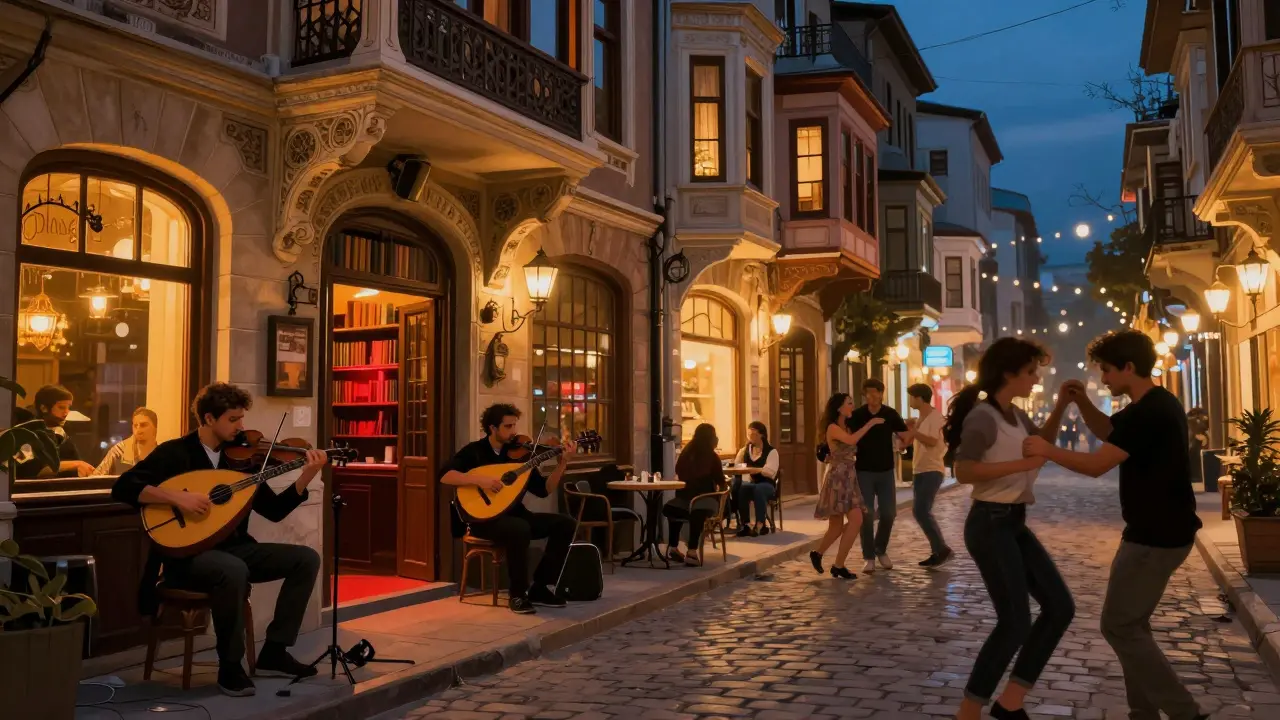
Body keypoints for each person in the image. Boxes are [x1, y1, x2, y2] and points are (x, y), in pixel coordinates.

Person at [1023, 331, 1208, 720]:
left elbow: (1095, 466)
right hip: (1162, 531)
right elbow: (1110, 432)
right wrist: (1081, 402)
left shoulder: (1149, 413)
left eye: (1106, 371)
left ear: (1128, 367)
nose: (1103, 378)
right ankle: (1142, 712)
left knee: (1119, 627)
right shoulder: (1156, 403)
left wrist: (1048, 450)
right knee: (1133, 626)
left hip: (1153, 537)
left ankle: (1184, 712)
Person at [111, 382, 327, 698]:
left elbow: (275, 511)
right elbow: (124, 487)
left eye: (242, 418)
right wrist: (177, 499)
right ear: (209, 419)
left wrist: (307, 475)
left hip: (236, 549)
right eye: (233, 419)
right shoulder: (175, 452)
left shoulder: (240, 462)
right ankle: (230, 667)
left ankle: (274, 652)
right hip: (186, 557)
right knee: (233, 570)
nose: (242, 426)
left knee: (305, 559)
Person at [945, 337, 1075, 720]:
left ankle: (1011, 702)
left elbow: (1042, 444)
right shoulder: (984, 416)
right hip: (989, 523)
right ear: (1009, 373)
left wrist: (1062, 406)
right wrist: (1015, 468)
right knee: (1015, 621)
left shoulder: (1014, 415)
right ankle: (968, 712)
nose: (1036, 378)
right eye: (1031, 372)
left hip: (1014, 521)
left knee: (1060, 607)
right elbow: (963, 469)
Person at [442, 403, 576, 615]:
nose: (513, 431)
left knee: (565, 524)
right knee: (519, 528)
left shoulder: (521, 455)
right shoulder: (475, 451)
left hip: (514, 515)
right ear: (492, 428)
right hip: (482, 520)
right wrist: (481, 481)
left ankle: (540, 588)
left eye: (514, 425)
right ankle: (517, 594)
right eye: (508, 426)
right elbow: (446, 475)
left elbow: (544, 490)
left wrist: (562, 464)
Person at [810, 393, 884, 580]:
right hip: (838, 478)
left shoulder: (847, 427)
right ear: (839, 408)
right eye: (849, 403)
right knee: (856, 519)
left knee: (836, 526)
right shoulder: (833, 428)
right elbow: (851, 442)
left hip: (848, 477)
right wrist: (871, 423)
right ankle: (838, 565)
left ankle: (819, 555)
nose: (852, 406)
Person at [846, 378, 909, 574]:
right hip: (863, 470)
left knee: (889, 513)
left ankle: (880, 549)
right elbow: (848, 436)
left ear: (882, 393)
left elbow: (904, 435)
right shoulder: (857, 415)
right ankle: (869, 557)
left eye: (876, 392)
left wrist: (903, 444)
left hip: (886, 471)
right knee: (867, 514)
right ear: (864, 395)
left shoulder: (890, 414)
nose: (873, 396)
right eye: (869, 393)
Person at [897, 383, 953, 568]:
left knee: (921, 510)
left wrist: (914, 432)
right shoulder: (921, 417)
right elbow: (917, 438)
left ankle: (942, 550)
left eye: (911, 397)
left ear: (919, 398)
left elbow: (932, 440)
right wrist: (906, 440)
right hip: (920, 469)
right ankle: (938, 550)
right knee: (921, 511)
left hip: (932, 469)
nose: (910, 401)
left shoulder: (936, 417)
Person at [665, 423, 725, 566]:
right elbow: (720, 480)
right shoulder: (712, 456)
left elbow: (679, 472)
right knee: (698, 511)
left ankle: (673, 546)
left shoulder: (686, 453)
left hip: (684, 497)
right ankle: (692, 551)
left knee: (673, 509)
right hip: (705, 498)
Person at [15, 384, 95, 479]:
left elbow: (73, 459)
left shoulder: (60, 433)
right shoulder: (27, 433)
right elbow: (34, 470)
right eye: (61, 407)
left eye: (68, 407)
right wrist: (76, 464)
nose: (66, 413)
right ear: (44, 408)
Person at [733, 421, 779, 537]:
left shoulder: (771, 451)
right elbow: (737, 465)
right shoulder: (745, 450)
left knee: (759, 489)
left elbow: (770, 471)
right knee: (742, 488)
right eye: (749, 434)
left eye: (753, 434)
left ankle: (760, 524)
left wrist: (756, 470)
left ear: (761, 435)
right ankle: (746, 524)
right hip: (751, 482)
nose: (750, 437)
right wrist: (746, 469)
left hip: (767, 484)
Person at [94, 407, 159, 476]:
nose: (138, 430)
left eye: (143, 425)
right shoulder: (119, 452)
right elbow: (96, 478)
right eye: (135, 426)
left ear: (155, 428)